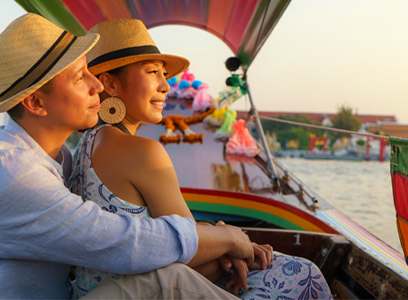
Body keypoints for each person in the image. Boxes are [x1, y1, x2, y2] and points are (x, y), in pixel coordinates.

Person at [70, 18, 333, 300]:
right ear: (109, 83)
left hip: (97, 290)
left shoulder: (86, 145)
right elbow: (189, 247)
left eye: (163, 73)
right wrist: (230, 248)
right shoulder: (141, 151)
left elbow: (178, 240)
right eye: (152, 72)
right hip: (143, 291)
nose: (165, 85)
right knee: (304, 273)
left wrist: (219, 238)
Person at [0, 13, 250, 300]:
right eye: (81, 77)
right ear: (35, 102)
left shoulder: (64, 158)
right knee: (167, 279)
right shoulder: (16, 174)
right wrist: (229, 237)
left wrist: (217, 236)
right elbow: (124, 243)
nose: (97, 86)